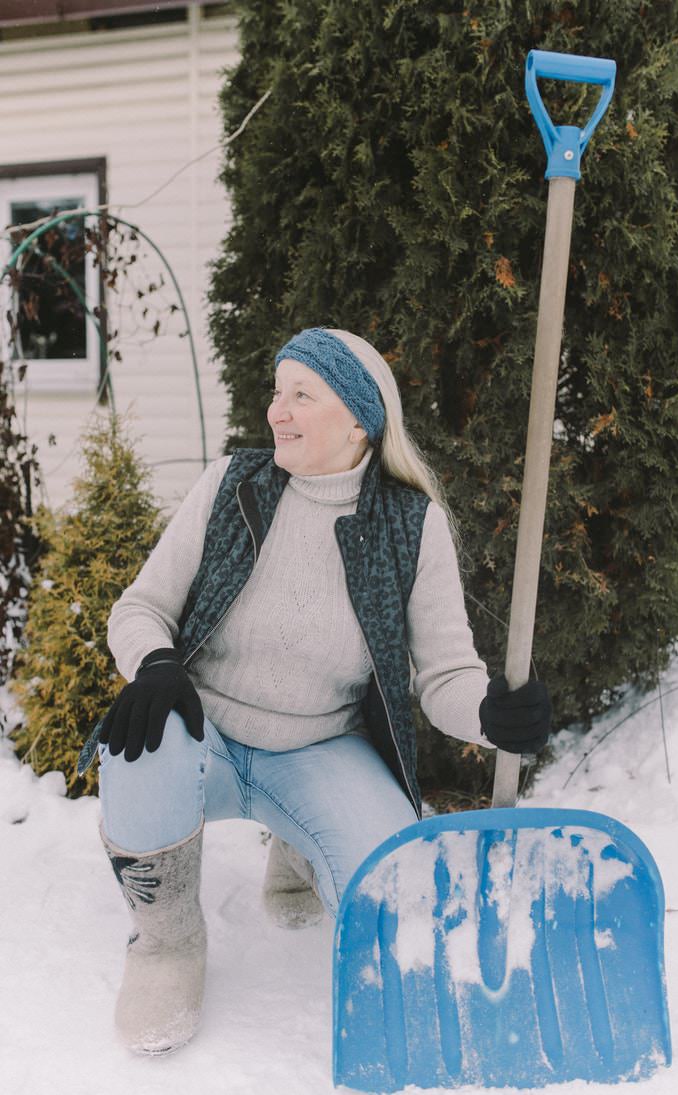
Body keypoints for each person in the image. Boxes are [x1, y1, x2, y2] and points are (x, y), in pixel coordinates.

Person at [77, 326, 550, 1056]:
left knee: (396, 885)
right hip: (206, 735)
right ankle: (167, 945)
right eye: (276, 391)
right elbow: (139, 609)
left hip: (319, 745)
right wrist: (157, 663)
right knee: (139, 745)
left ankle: (300, 843)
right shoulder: (233, 486)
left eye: (302, 393)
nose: (277, 410)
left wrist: (490, 712)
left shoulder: (410, 526)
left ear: (359, 419)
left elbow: (445, 674)